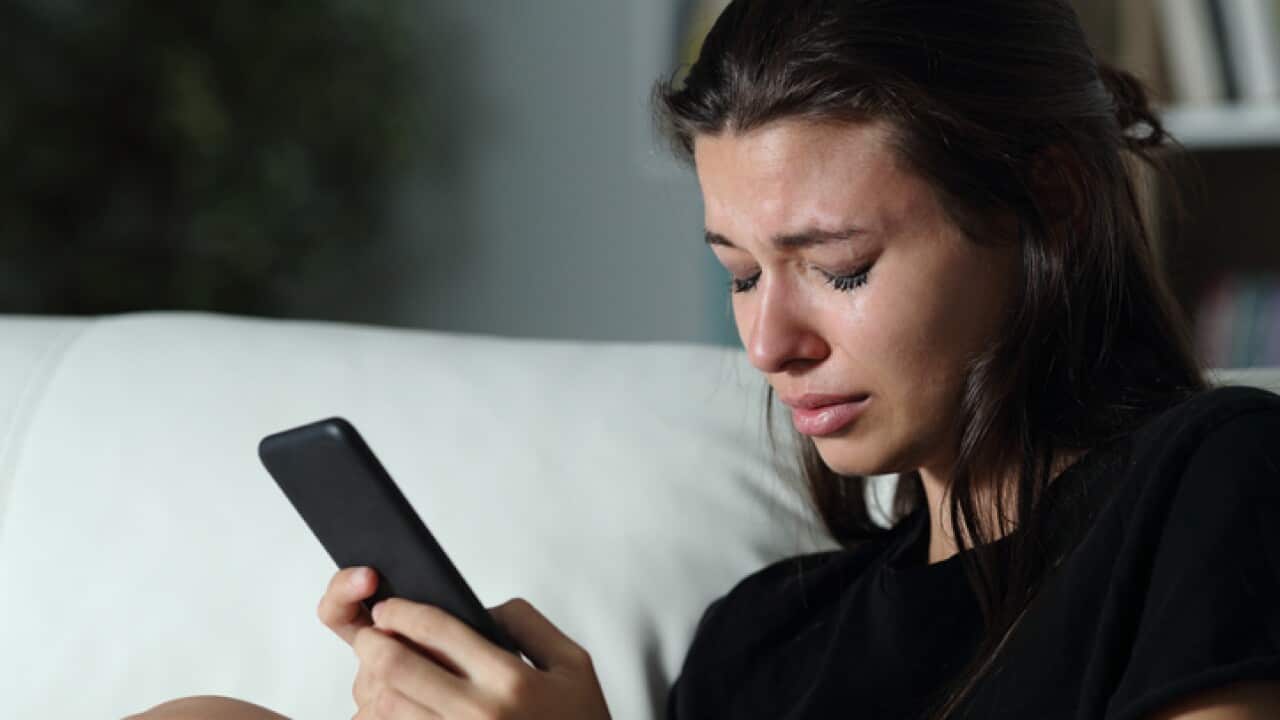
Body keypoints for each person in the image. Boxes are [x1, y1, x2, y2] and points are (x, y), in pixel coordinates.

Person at [129, 0, 1280, 718]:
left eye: (835, 265)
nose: (769, 344)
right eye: (738, 274)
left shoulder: (1211, 483)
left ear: (1052, 206)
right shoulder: (764, 636)